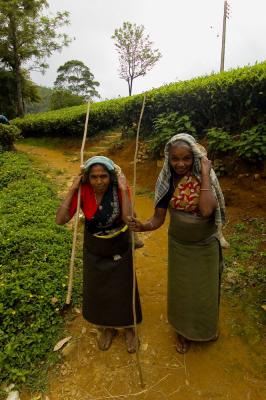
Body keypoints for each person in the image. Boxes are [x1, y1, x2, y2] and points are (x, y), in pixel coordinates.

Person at [128, 133, 226, 353]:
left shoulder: (205, 177)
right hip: (180, 247)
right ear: (168, 159)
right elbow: (158, 218)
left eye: (186, 159)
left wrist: (204, 173)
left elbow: (207, 210)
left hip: (205, 246)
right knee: (182, 291)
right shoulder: (166, 181)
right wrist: (143, 226)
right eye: (175, 159)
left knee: (205, 290)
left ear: (194, 158)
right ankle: (183, 332)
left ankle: (205, 328)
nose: (180, 164)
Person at [56, 156, 142, 353]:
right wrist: (72, 189)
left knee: (124, 288)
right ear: (88, 178)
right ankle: (108, 328)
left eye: (103, 176)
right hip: (95, 248)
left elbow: (129, 220)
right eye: (94, 177)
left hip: (119, 245)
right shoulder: (83, 191)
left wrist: (123, 189)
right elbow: (60, 219)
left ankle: (129, 328)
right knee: (101, 290)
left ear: (110, 177)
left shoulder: (118, 188)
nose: (99, 181)